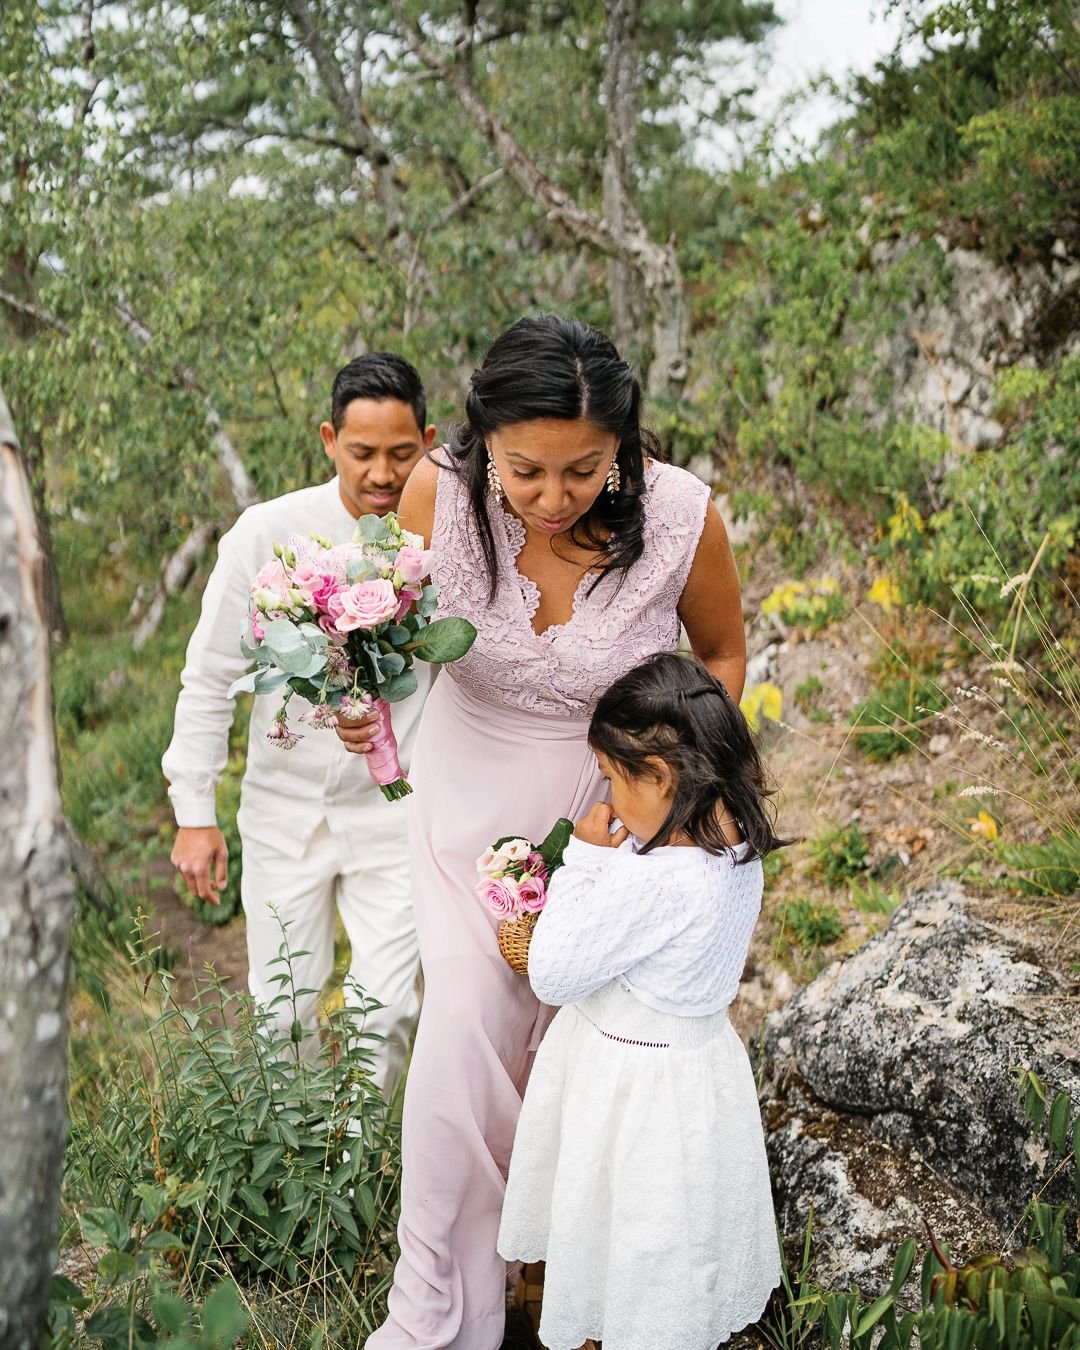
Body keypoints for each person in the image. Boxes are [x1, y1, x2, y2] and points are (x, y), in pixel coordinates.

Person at [334, 314, 747, 1349]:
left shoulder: (688, 516)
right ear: (482, 441)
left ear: (625, 447)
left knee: (578, 1044)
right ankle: (440, 1313)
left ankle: (564, 1290)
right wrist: (365, 696)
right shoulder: (435, 491)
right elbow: (399, 637)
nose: (555, 500)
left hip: (611, 809)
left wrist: (676, 796)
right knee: (465, 1031)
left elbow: (725, 657)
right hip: (467, 798)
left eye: (584, 472)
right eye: (526, 472)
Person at [162, 353, 436, 1097]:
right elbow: (211, 673)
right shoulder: (267, 533)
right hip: (283, 810)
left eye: (402, 454)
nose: (382, 472)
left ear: (429, 442)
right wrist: (194, 812)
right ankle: (297, 1174)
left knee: (389, 1013)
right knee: (285, 1012)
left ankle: (354, 1186)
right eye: (363, 452)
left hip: (396, 814)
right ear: (327, 440)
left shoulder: (443, 545)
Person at [498, 652, 784, 1350]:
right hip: (692, 1080)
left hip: (627, 1093)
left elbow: (556, 972)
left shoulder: (658, 881)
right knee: (665, 1253)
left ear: (660, 778)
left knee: (617, 1236)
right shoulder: (735, 854)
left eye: (611, 777)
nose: (606, 796)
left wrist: (586, 861)